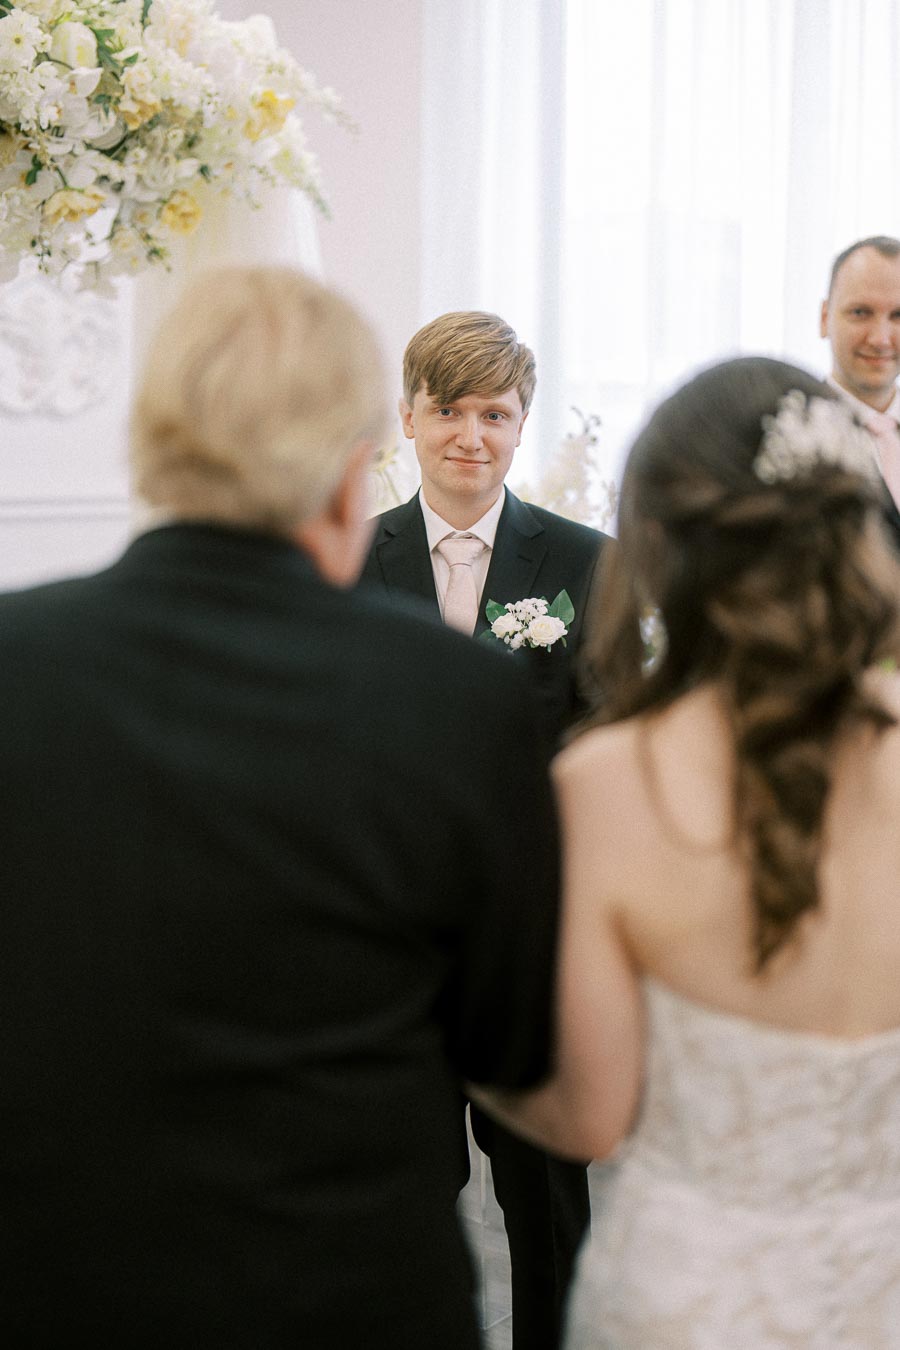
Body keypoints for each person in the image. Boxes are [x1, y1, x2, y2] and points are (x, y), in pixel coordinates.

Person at [0, 267, 564, 1349]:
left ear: (153, 438)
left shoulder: (14, 664)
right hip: (349, 1288)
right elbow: (514, 1048)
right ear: (358, 467)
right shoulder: (454, 700)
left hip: (59, 1281)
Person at [473, 356, 900, 1348]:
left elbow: (589, 1120)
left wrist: (458, 1017)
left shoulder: (610, 784)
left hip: (685, 1302)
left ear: (656, 547)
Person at [361, 310, 610, 1350]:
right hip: (395, 939)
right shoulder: (351, 558)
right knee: (398, 1189)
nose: (472, 434)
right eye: (450, 410)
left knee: (545, 1190)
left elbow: (609, 737)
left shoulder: (589, 563)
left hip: (530, 935)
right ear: (409, 417)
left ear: (521, 425)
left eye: (495, 414)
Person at [821, 234, 900, 534]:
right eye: (860, 313)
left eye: (899, 315)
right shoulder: (786, 435)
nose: (880, 339)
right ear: (824, 318)